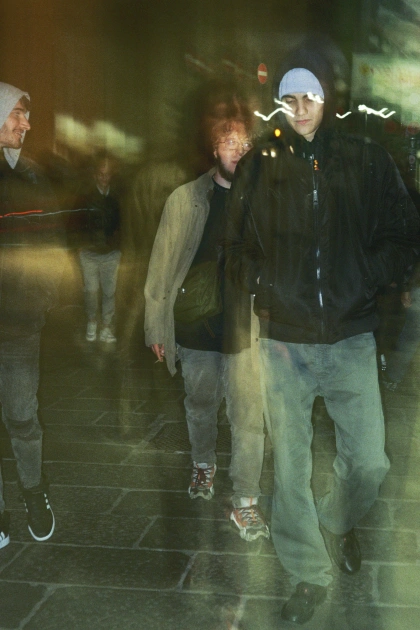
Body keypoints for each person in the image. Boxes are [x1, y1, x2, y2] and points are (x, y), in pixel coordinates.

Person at [223, 50, 420, 623]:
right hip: (283, 342)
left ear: (326, 97)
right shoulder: (259, 166)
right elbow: (233, 246)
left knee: (370, 461)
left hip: (350, 336)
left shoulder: (366, 159)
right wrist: (264, 282)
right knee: (290, 468)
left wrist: (365, 277)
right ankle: (308, 571)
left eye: (310, 94)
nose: (301, 106)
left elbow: (404, 232)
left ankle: (336, 521)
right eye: (290, 96)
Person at [144, 116, 270, 542]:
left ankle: (246, 499)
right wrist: (155, 326)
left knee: (248, 415)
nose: (238, 150)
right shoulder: (186, 198)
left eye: (245, 143)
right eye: (229, 142)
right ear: (215, 149)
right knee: (200, 404)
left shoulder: (263, 199)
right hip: (196, 324)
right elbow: (161, 263)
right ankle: (203, 464)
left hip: (246, 327)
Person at [0, 82, 62, 547]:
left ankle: (33, 492)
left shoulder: (34, 176)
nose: (27, 123)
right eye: (18, 113)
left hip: (20, 326)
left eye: (27, 114)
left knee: (23, 416)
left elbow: (52, 242)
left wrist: (40, 298)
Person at [78, 153, 121, 343]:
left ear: (111, 175)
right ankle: (92, 321)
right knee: (91, 291)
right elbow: (75, 221)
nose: (104, 178)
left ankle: (106, 327)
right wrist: (80, 245)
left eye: (107, 174)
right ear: (95, 175)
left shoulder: (117, 197)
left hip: (111, 253)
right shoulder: (85, 196)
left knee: (109, 292)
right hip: (89, 253)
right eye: (101, 174)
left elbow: (123, 222)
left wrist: (120, 245)